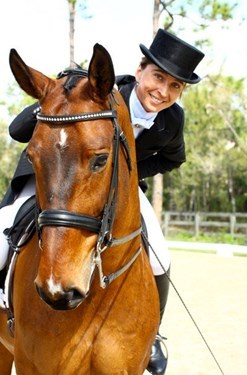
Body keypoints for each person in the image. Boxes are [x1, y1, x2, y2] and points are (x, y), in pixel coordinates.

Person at [0, 29, 204, 374]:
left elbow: (174, 159)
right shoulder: (100, 91)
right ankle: (6, 305)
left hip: (115, 187)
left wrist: (127, 173)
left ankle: (151, 334)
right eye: (158, 77)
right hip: (53, 176)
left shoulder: (172, 121)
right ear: (140, 71)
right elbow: (19, 130)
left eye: (175, 86)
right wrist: (54, 93)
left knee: (160, 253)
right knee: (3, 227)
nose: (163, 91)